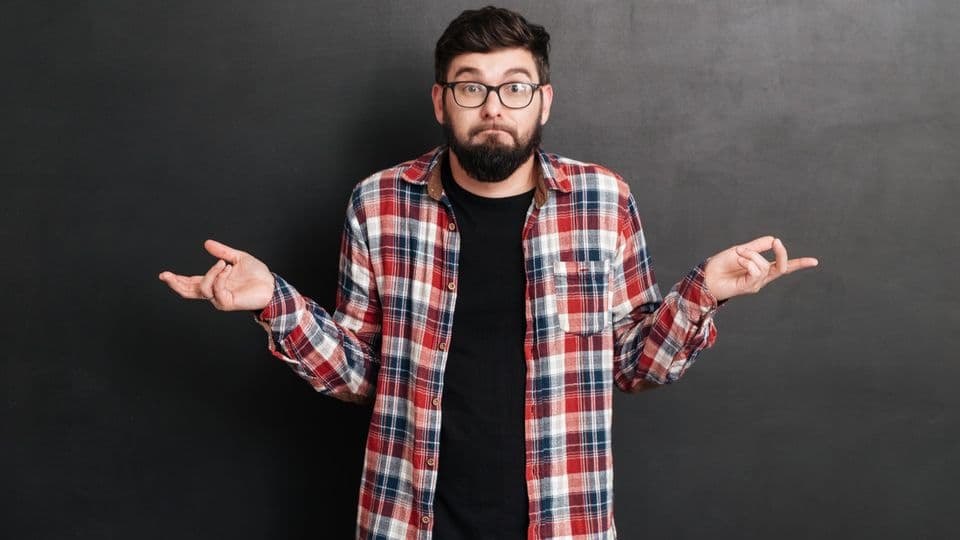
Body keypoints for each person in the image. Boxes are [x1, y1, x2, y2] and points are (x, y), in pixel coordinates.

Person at [158, 6, 819, 539]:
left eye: (514, 86)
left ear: (544, 100)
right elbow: (361, 372)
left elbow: (632, 365)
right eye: (472, 86)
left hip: (565, 521)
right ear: (442, 101)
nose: (494, 106)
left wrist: (701, 293)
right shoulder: (378, 203)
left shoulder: (603, 201)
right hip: (407, 520)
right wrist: (274, 301)